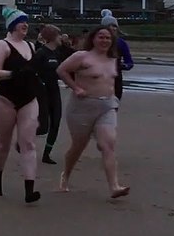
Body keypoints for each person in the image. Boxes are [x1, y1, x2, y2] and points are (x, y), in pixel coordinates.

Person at [56, 25, 129, 198]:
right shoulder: (82, 56)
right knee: (78, 147)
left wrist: (115, 99)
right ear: (93, 39)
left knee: (108, 144)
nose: (104, 40)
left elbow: (113, 82)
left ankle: (114, 186)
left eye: (108, 38)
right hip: (82, 108)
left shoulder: (113, 58)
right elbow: (61, 70)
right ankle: (65, 176)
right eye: (101, 37)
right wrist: (75, 88)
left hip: (107, 107)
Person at [0, 8, 41, 203]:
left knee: (28, 143)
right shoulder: (3, 45)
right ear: (12, 25)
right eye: (21, 21)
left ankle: (29, 189)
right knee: (4, 142)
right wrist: (14, 74)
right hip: (4, 98)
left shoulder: (30, 45)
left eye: (26, 22)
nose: (25, 25)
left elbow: (34, 71)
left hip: (28, 98)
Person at [31, 25, 73, 165]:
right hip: (42, 93)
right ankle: (23, 139)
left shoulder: (59, 53)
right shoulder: (41, 53)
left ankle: (46, 155)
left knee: (56, 122)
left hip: (54, 90)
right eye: (59, 35)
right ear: (53, 37)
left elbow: (74, 57)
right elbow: (31, 73)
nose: (62, 37)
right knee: (43, 126)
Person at [100, 10, 134, 100]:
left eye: (115, 26)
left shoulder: (121, 43)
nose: (113, 28)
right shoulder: (96, 41)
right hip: (99, 77)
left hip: (116, 77)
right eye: (110, 26)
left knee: (114, 104)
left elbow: (129, 62)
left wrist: (123, 66)